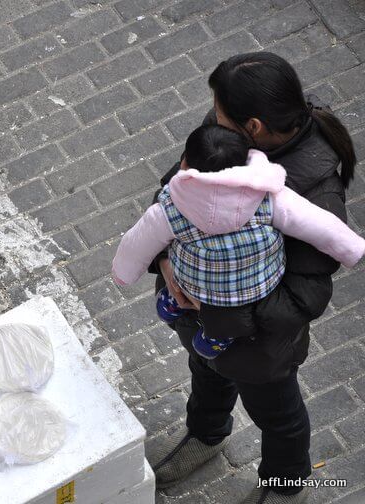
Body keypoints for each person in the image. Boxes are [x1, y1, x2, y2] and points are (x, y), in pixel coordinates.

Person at [141, 53, 357, 504]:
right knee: (205, 372)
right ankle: (206, 434)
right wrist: (163, 259)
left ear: (253, 127)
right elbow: (172, 191)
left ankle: (284, 483)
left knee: (279, 417)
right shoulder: (225, 134)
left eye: (219, 113)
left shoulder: (314, 189)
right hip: (198, 318)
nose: (211, 120)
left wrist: (227, 311)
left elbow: (308, 292)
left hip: (259, 343)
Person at [112, 125, 364, 360]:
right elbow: (318, 224)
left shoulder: (169, 208)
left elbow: (137, 244)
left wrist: (123, 274)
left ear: (185, 165)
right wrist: (352, 248)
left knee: (182, 264)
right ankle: (218, 336)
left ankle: (172, 299)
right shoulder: (269, 196)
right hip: (259, 287)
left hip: (194, 284)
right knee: (227, 318)